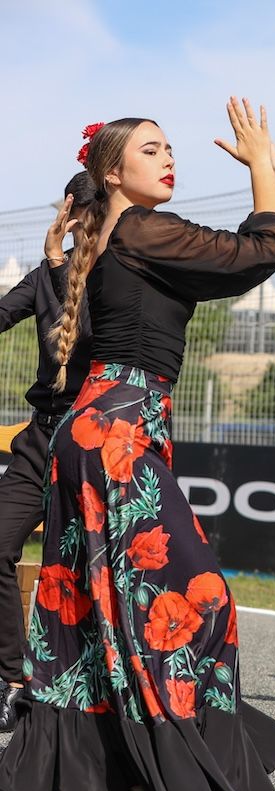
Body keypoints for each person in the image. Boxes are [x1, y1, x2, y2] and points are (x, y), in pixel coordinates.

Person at [0, 102, 275, 791]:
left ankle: (53, 785)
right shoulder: (142, 230)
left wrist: (271, 174)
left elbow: (229, 269)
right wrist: (265, 178)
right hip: (114, 436)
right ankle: (153, 781)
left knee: (86, 614)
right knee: (200, 599)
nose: (170, 156)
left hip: (99, 430)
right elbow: (259, 251)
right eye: (152, 149)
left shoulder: (124, 238)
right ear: (114, 172)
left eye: (170, 146)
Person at [0, 173, 96, 734]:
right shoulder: (43, 275)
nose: (85, 224)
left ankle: (85, 696)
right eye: (79, 213)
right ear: (69, 211)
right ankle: (12, 680)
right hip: (41, 436)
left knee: (90, 572)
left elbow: (81, 335)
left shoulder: (113, 271)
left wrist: (60, 264)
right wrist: (54, 267)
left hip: (91, 438)